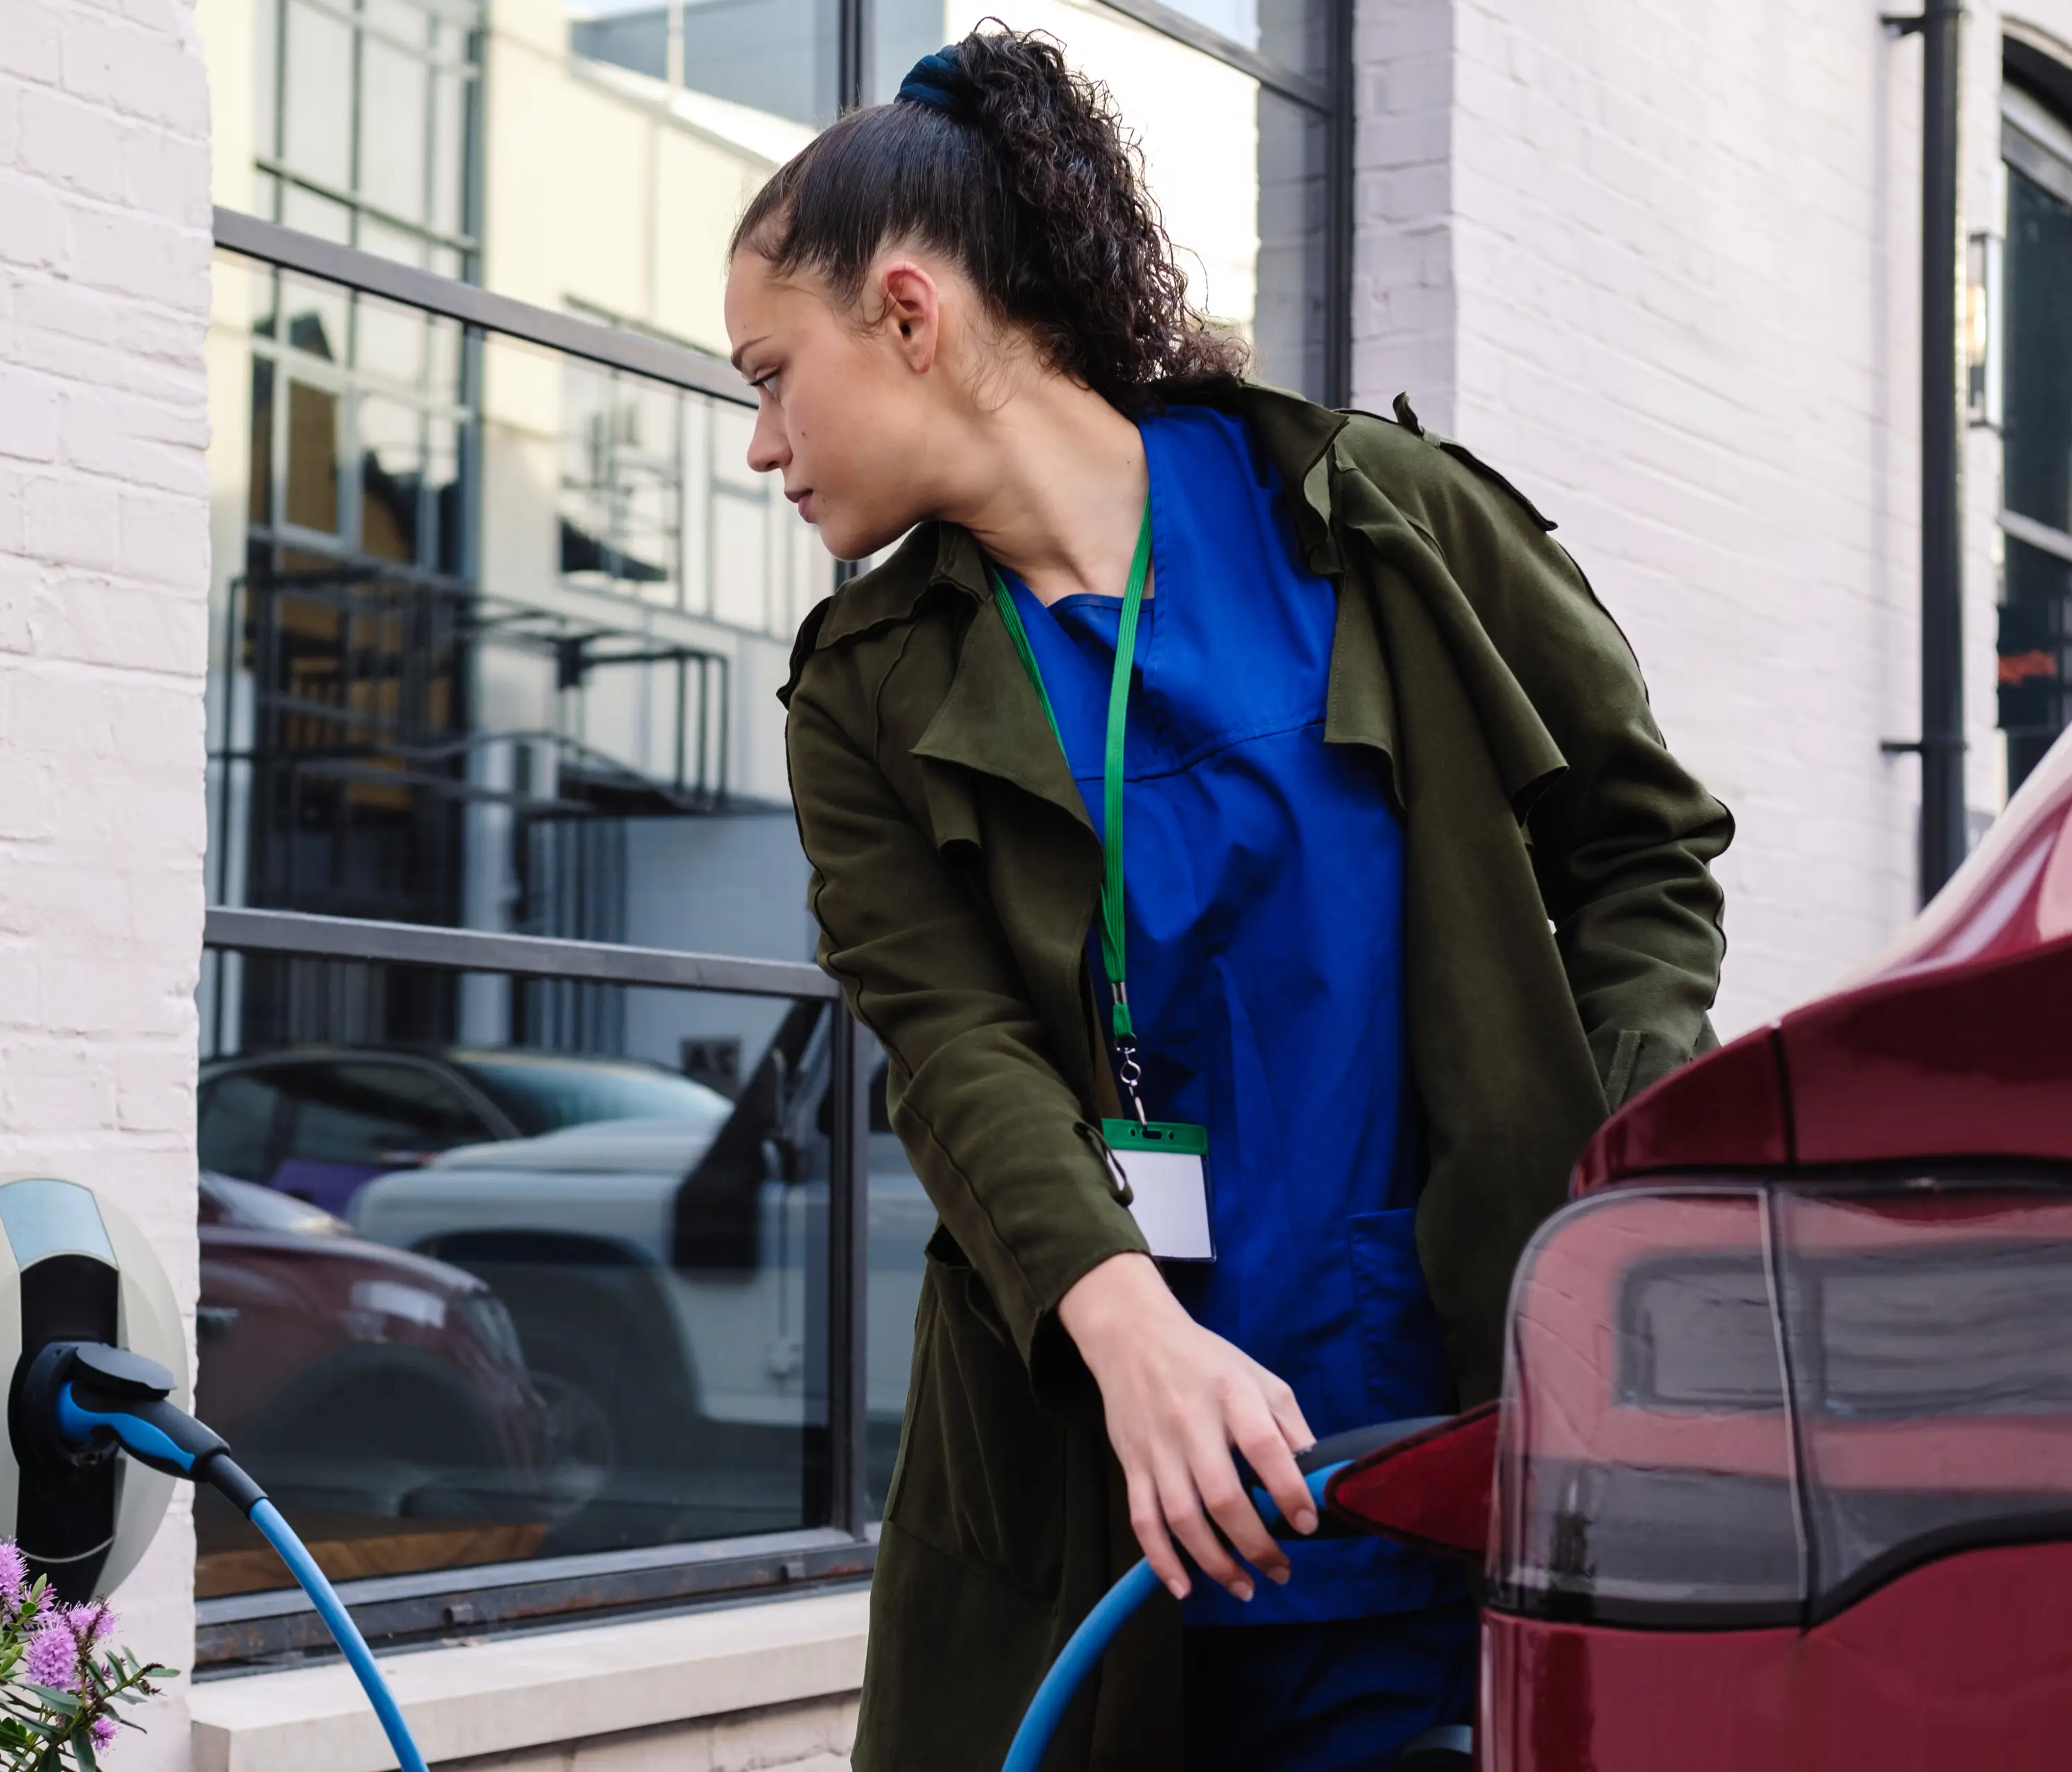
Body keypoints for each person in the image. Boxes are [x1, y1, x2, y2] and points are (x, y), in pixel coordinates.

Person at [724, 26, 1731, 1772]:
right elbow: (952, 1048)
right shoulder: (865, 692)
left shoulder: (1378, 519)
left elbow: (1643, 846)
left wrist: (1613, 1181)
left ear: (907, 314)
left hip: (1459, 1458)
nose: (761, 444)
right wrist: (1131, 1335)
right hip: (1093, 1513)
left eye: (767, 375)